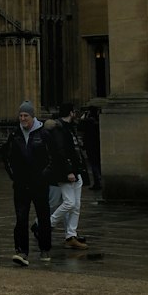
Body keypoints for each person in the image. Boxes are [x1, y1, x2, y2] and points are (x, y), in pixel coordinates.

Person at [1, 100, 53, 267]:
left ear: (32, 116)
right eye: (21, 115)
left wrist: (44, 175)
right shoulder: (15, 134)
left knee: (44, 218)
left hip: (39, 183)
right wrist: (14, 176)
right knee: (21, 218)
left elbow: (53, 158)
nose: (23, 118)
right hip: (21, 184)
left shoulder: (43, 133)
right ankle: (22, 251)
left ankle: (45, 248)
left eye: (26, 115)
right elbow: (7, 158)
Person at [46, 103, 88, 249]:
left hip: (76, 170)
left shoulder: (69, 127)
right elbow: (61, 151)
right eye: (74, 112)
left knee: (76, 205)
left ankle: (71, 235)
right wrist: (69, 170)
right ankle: (46, 225)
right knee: (69, 203)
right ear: (71, 113)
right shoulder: (60, 129)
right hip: (66, 172)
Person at [81, 106, 102, 191]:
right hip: (97, 145)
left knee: (94, 164)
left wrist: (84, 116)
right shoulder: (98, 120)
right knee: (97, 164)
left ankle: (97, 182)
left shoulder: (88, 121)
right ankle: (99, 180)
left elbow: (80, 125)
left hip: (91, 145)